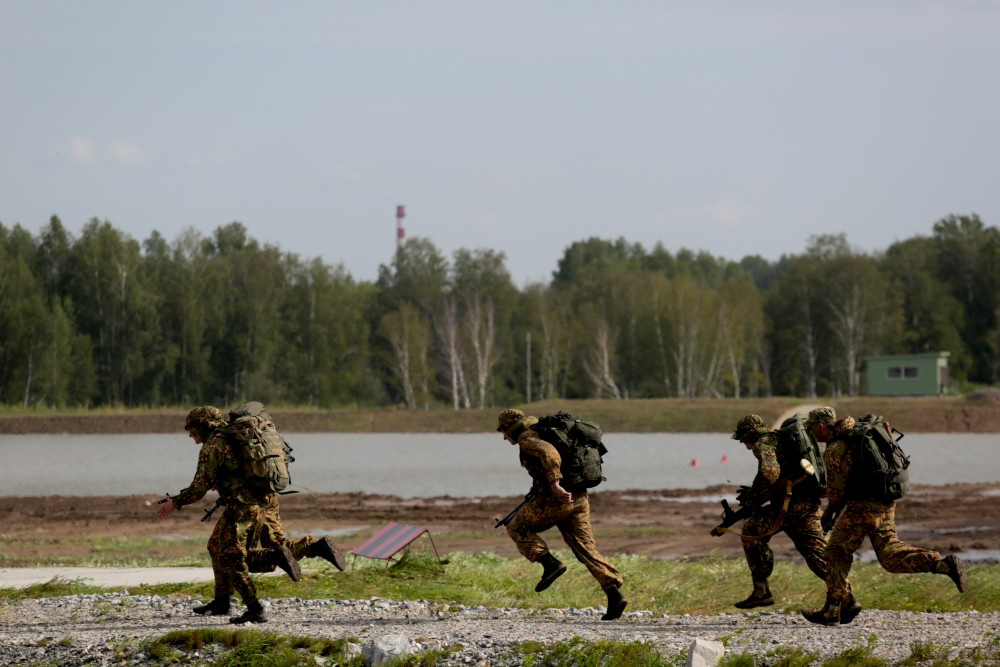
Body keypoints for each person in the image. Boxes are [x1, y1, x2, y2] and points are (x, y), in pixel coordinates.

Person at [801, 406, 969, 626]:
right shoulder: (860, 434)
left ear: (821, 426)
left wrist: (830, 512)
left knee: (834, 552)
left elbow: (836, 493)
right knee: (890, 555)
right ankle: (941, 564)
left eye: (813, 430)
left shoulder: (835, 449)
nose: (813, 435)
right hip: (885, 502)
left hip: (862, 508)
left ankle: (834, 609)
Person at [157, 406, 302, 624]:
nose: (191, 436)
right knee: (215, 546)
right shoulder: (235, 437)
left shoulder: (213, 445)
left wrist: (175, 502)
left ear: (203, 425)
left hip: (242, 507)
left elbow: (198, 488)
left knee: (231, 556)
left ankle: (255, 608)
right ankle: (221, 601)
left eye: (192, 430)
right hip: (259, 502)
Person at [495, 408, 627, 621]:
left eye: (503, 431)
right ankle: (614, 595)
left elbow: (550, 454)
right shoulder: (549, 431)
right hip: (579, 499)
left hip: (557, 500)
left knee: (517, 527)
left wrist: (555, 484)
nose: (503, 437)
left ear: (511, 428)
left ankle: (550, 564)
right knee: (585, 548)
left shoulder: (528, 438)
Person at [226, 401, 348, 575]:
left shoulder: (233, 435)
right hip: (270, 494)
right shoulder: (267, 431)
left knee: (242, 555)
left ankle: (275, 559)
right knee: (277, 543)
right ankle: (314, 547)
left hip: (250, 500)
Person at [727, 414, 828, 610]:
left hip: (789, 508)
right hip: (807, 506)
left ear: (749, 435)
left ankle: (761, 591)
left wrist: (753, 497)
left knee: (750, 533)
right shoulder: (780, 441)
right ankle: (844, 597)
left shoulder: (763, 443)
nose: (745, 445)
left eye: (743, 440)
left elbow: (769, 473)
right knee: (816, 554)